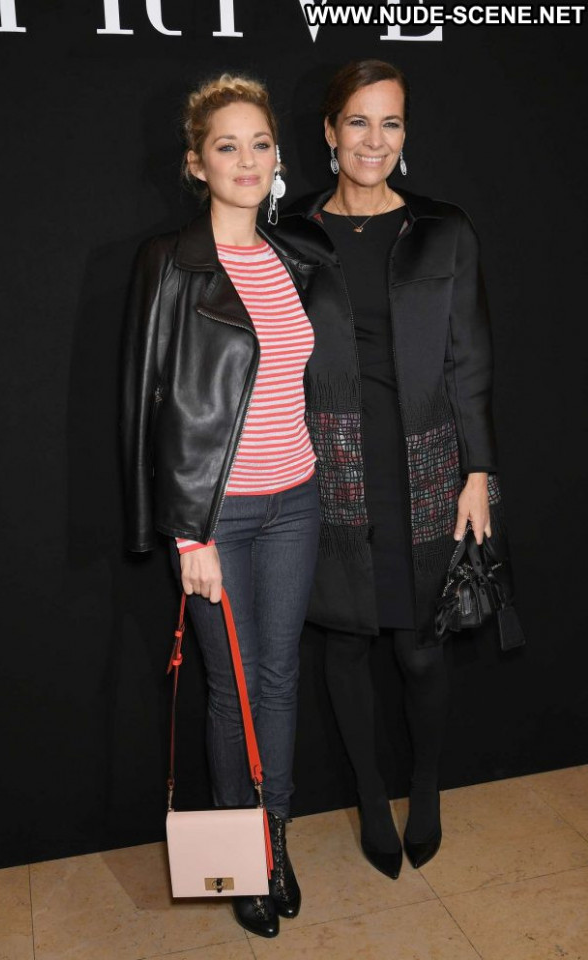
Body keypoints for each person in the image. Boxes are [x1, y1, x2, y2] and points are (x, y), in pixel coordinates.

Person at [275, 59, 508, 878]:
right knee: (344, 645)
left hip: (426, 466)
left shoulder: (445, 228)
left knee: (419, 650)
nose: (374, 140)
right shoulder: (291, 232)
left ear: (406, 133)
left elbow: (470, 359)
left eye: (392, 122)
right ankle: (372, 802)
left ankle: (426, 787)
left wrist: (478, 472)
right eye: (359, 121)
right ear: (329, 131)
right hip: (325, 467)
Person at [121, 75, 320, 937]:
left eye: (260, 143)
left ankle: (274, 841)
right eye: (226, 146)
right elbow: (148, 403)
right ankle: (240, 858)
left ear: (278, 156)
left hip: (297, 501)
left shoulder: (296, 257)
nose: (247, 160)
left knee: (278, 681)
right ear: (196, 163)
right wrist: (184, 533)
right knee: (230, 692)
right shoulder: (170, 262)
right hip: (218, 518)